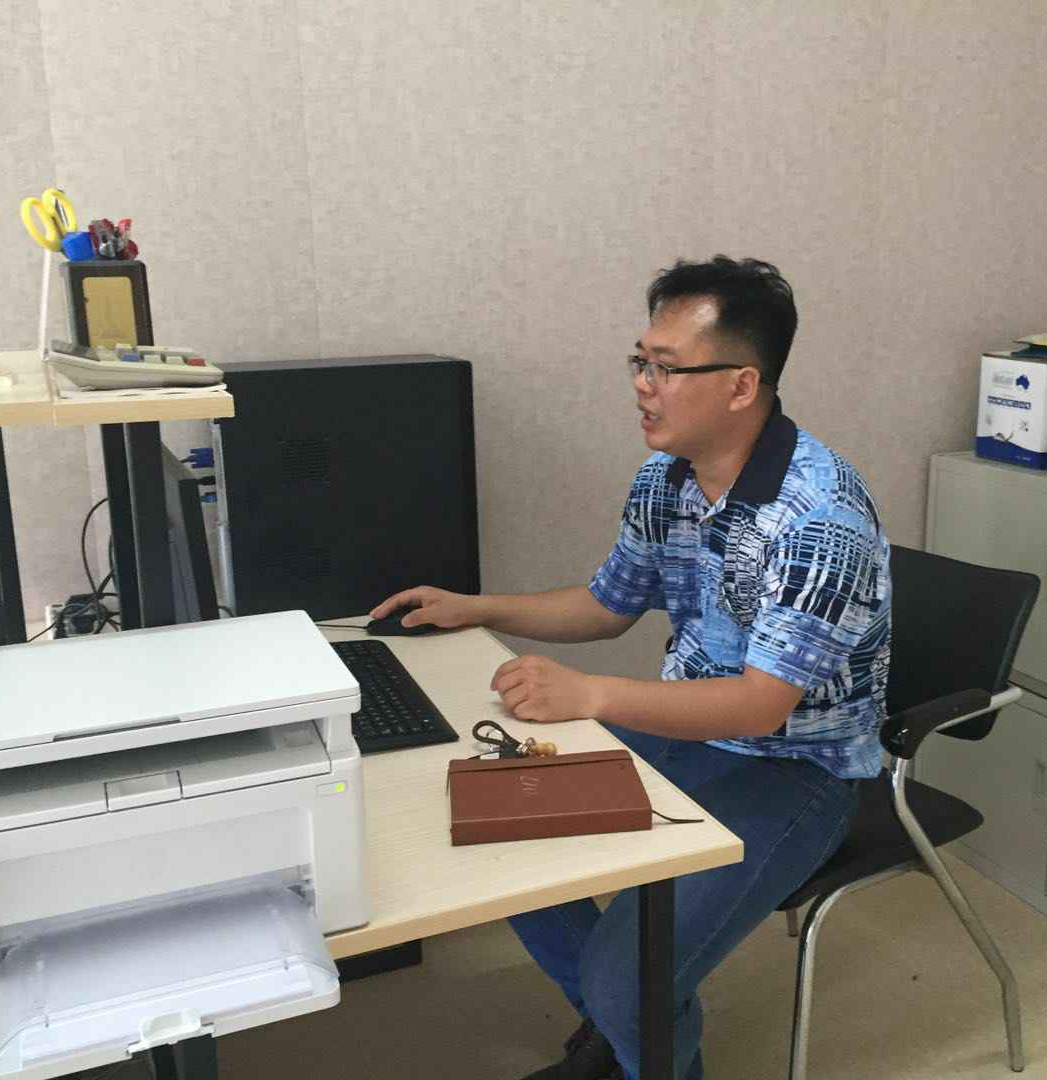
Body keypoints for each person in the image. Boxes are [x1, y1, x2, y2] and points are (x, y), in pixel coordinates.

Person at [371, 256, 891, 1080]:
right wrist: (477, 607)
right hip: (684, 730)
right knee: (500, 836)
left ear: (741, 386)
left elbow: (760, 706)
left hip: (796, 769)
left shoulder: (821, 517)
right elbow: (607, 604)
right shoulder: (666, 478)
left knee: (625, 978)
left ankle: (629, 1021)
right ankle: (626, 1035)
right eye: (640, 362)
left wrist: (590, 694)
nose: (644, 386)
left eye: (667, 368)